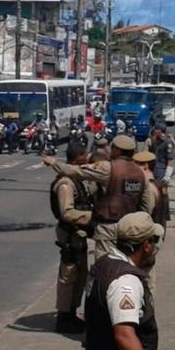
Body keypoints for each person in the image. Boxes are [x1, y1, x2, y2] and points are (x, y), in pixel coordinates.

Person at [82, 212, 169, 350]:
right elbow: (124, 335)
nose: (156, 247)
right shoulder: (126, 282)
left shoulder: (104, 264)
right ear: (146, 245)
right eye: (154, 241)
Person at [44, 135, 154, 262]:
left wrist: (54, 163)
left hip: (108, 228)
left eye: (113, 148)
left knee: (105, 267)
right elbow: (147, 206)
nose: (110, 150)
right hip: (131, 228)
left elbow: (76, 171)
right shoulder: (141, 174)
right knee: (128, 264)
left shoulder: (108, 167)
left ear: (118, 150)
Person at [50, 143, 97, 333]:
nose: (87, 156)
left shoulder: (76, 178)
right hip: (70, 234)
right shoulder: (66, 184)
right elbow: (67, 213)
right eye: (84, 154)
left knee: (80, 275)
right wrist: (93, 218)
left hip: (79, 234)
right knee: (68, 275)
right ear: (77, 157)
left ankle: (71, 312)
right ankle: (64, 317)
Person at [132, 151, 169, 296]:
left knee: (145, 278)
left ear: (145, 166)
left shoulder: (148, 187)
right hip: (156, 234)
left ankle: (146, 312)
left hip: (147, 237)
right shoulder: (159, 184)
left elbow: (144, 215)